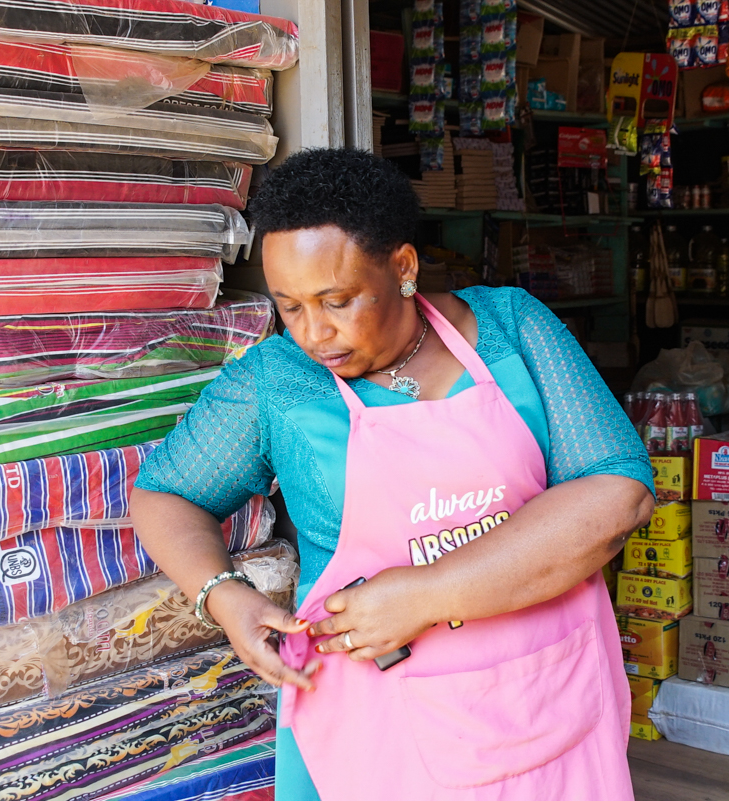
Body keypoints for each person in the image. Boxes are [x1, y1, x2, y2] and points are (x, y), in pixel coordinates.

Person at [132, 148, 655, 801]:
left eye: (338, 299)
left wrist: (426, 594)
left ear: (403, 267)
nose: (314, 333)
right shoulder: (277, 383)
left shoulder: (511, 327)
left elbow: (618, 493)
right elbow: (165, 494)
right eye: (289, 306)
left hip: (547, 699)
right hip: (378, 736)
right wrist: (227, 598)